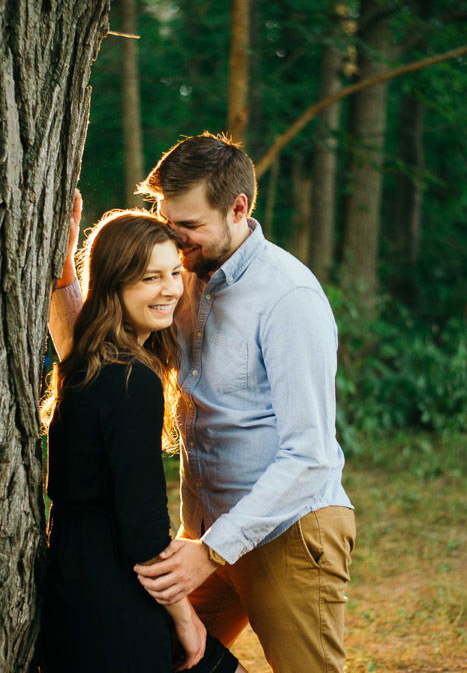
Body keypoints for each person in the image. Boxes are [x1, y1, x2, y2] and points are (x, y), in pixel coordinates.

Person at [50, 133, 356, 673]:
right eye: (168, 222)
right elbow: (101, 354)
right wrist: (64, 279)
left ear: (237, 208)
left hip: (286, 532)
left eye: (189, 225)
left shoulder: (289, 298)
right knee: (176, 658)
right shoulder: (180, 277)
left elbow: (310, 455)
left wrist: (211, 550)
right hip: (207, 532)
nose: (176, 238)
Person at [41, 208, 242, 673]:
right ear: (115, 286)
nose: (170, 288)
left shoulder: (89, 362)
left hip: (79, 582)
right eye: (150, 277)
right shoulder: (130, 380)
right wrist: (186, 617)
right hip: (117, 600)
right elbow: (143, 524)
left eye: (174, 271)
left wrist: (65, 270)